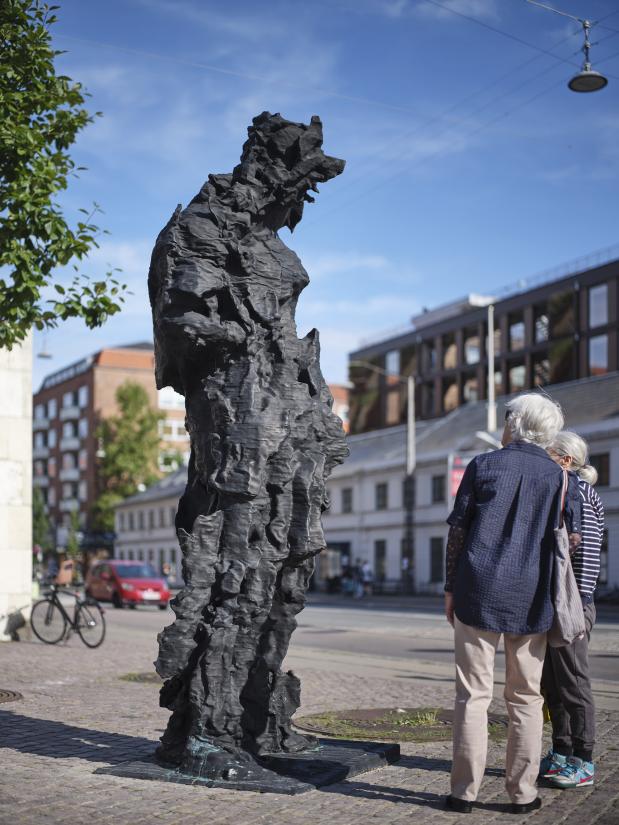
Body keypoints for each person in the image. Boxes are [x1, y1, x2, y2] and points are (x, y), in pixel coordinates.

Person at [444, 393, 581, 815]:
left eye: (506, 418)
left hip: (477, 590)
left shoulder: (483, 465)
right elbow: (571, 539)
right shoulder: (560, 477)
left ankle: (463, 794)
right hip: (533, 595)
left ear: (515, 423)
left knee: (473, 696)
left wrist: (450, 588)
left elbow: (459, 533)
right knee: (525, 698)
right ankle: (521, 795)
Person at [540, 432, 603, 789]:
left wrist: (575, 606)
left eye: (546, 454)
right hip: (561, 604)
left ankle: (584, 759)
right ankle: (562, 751)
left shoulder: (580, 492)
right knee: (554, 683)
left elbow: (587, 557)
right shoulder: (567, 491)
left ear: (564, 459)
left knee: (574, 684)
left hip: (572, 605)